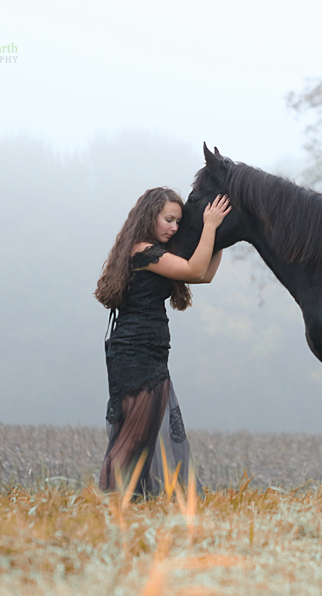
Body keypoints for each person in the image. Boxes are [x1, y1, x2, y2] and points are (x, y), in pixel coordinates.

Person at [94, 187, 231, 495]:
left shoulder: (154, 253)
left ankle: (131, 508)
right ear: (149, 217)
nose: (174, 228)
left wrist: (221, 237)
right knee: (130, 441)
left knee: (142, 440)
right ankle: (105, 506)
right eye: (168, 219)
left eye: (178, 222)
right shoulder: (143, 251)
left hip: (153, 353)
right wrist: (208, 226)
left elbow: (204, 275)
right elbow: (195, 269)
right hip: (134, 353)